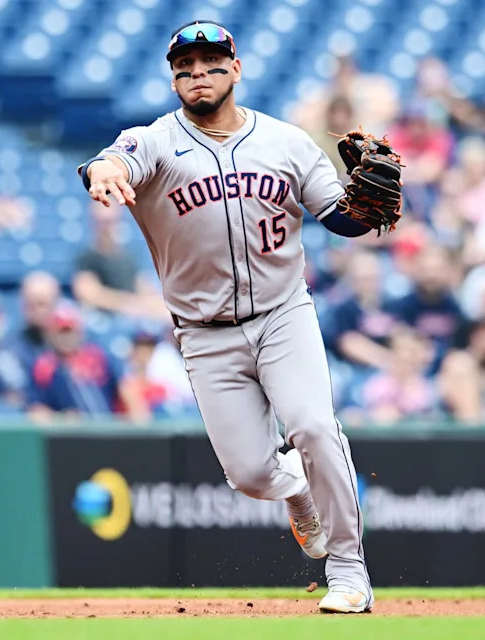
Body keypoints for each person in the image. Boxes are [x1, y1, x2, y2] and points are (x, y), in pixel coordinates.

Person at [77, 20, 379, 613]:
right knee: (250, 475)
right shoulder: (157, 141)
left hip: (283, 314)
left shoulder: (288, 143)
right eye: (184, 67)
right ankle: (298, 491)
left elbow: (341, 217)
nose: (198, 74)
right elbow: (113, 160)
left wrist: (366, 209)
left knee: (315, 426)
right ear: (173, 80)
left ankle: (349, 572)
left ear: (235, 70)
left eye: (211, 63)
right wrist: (103, 171)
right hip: (205, 333)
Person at [72, 200, 170, 320]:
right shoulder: (87, 257)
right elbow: (87, 293)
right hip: (104, 318)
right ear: (94, 223)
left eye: (111, 221)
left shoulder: (128, 256)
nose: (107, 228)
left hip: (133, 315)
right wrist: (127, 303)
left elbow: (144, 287)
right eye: (103, 222)